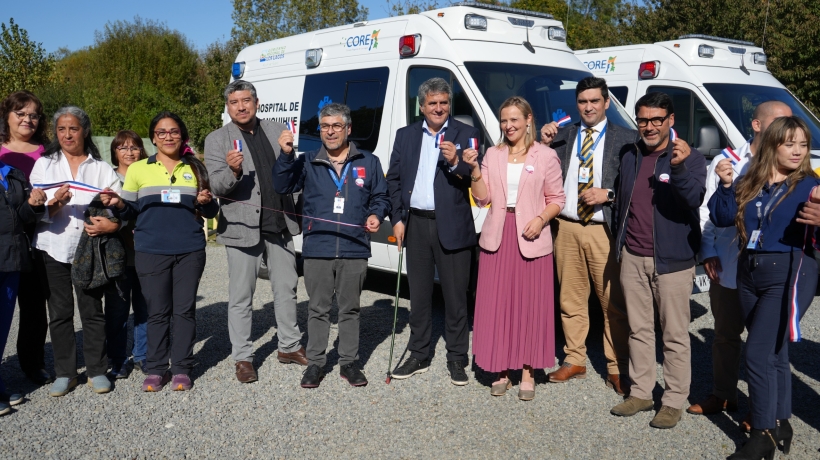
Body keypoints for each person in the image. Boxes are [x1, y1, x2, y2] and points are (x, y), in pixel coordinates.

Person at [709, 116, 818, 459]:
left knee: (757, 353)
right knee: (774, 352)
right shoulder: (750, 179)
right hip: (749, 270)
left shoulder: (810, 185)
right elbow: (722, 217)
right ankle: (781, 422)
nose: (798, 151)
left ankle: (762, 432)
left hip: (787, 271)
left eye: (803, 144)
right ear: (771, 144)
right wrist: (726, 185)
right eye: (790, 143)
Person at [688, 101, 792, 421]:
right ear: (757, 125)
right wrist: (707, 251)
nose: (787, 130)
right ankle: (723, 395)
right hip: (728, 263)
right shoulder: (727, 161)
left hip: (769, 268)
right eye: (779, 122)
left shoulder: (787, 164)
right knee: (725, 335)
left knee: (767, 344)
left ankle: (762, 410)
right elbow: (706, 210)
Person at [609, 92, 706, 429]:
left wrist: (678, 168)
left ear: (671, 120)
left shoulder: (689, 157)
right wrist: (621, 245)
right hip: (633, 257)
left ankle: (674, 400)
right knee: (639, 330)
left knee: (674, 335)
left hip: (673, 261)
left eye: (656, 120)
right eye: (643, 120)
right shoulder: (630, 154)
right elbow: (623, 202)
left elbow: (693, 198)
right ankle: (641, 392)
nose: (649, 126)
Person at [274, 103, 389, 388]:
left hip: (354, 247)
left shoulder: (369, 161)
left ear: (348, 128)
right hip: (318, 247)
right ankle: (315, 363)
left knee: (350, 309)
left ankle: (349, 362)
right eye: (325, 126)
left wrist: (376, 215)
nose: (330, 131)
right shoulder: (307, 160)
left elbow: (381, 197)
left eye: (337, 126)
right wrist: (286, 155)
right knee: (318, 309)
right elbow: (282, 185)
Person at [104, 112, 218, 392]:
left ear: (183, 136)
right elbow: (130, 211)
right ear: (153, 138)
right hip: (151, 250)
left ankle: (181, 368)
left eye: (174, 131)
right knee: (156, 312)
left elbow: (211, 211)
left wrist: (205, 202)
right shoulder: (138, 169)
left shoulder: (196, 168)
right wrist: (117, 204)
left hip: (190, 250)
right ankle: (155, 368)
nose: (168, 136)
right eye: (161, 132)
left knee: (184, 311)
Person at [539, 76, 636, 395]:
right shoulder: (561, 135)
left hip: (602, 230)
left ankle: (617, 366)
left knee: (612, 303)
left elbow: (635, 187)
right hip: (567, 227)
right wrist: (542, 143)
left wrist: (608, 194)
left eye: (595, 101)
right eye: (583, 101)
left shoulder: (627, 138)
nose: (589, 107)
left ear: (607, 102)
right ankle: (575, 359)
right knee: (570, 298)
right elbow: (536, 172)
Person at [205, 80, 304, 384]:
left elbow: (292, 173)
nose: (241, 107)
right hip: (241, 228)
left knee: (286, 288)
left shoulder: (276, 130)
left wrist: (289, 155)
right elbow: (216, 186)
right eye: (234, 102)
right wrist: (233, 171)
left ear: (257, 103)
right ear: (228, 107)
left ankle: (289, 346)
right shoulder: (217, 139)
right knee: (241, 296)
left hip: (279, 223)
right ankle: (243, 357)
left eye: (246, 100)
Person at [466, 96, 565, 400]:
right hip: (497, 236)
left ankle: (527, 371)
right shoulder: (492, 154)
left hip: (531, 236)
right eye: (504, 120)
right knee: (498, 306)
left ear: (528, 119)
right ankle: (500, 369)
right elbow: (482, 198)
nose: (508, 126)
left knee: (529, 307)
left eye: (514, 120)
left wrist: (540, 219)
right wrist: (474, 170)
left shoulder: (545, 155)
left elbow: (557, 199)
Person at [385, 77, 480, 385]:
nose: (438, 108)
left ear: (449, 104)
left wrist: (455, 162)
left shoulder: (466, 133)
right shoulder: (406, 135)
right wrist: (397, 218)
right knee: (420, 295)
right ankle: (419, 354)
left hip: (451, 224)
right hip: (415, 223)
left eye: (444, 102)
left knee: (455, 297)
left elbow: (475, 176)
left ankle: (457, 358)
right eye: (432, 103)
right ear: (422, 106)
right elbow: (393, 180)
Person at [30, 106, 123, 397]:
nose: (67, 135)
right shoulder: (44, 165)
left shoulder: (101, 168)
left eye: (73, 128)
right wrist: (55, 203)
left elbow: (117, 208)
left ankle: (97, 370)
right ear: (55, 133)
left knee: (92, 311)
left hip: (89, 250)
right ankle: (65, 373)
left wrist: (110, 215)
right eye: (61, 129)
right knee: (59, 313)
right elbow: (34, 211)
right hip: (52, 247)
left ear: (85, 131)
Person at [0, 90, 51, 385]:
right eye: (20, 113)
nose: (27, 119)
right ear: (7, 116)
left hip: (39, 232)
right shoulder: (1, 152)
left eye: (33, 115)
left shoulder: (48, 151)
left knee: (33, 303)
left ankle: (33, 362)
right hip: (5, 235)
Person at [0, 156, 46, 414]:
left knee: (2, 327)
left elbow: (19, 217)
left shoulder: (13, 174)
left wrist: (32, 205)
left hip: (12, 258)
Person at [103, 131, 149, 378]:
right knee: (117, 310)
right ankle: (118, 358)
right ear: (115, 152)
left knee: (145, 308)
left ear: (142, 150)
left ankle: (142, 355)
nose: (129, 152)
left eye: (134, 147)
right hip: (118, 253)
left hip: (146, 252)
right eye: (123, 147)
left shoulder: (149, 175)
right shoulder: (108, 178)